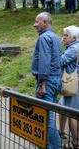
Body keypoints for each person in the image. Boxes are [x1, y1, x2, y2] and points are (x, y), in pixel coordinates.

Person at [31, 12, 62, 149]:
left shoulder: (44, 38)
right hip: (56, 80)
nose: (35, 24)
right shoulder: (55, 37)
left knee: (46, 117)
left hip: (46, 81)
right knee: (49, 115)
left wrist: (42, 83)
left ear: (45, 22)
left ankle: (53, 146)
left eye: (37, 22)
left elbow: (44, 61)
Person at [58, 25, 79, 148]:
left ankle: (76, 142)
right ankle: (62, 132)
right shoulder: (74, 47)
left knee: (72, 113)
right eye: (63, 35)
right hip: (74, 82)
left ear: (74, 37)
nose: (63, 37)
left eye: (66, 35)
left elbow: (60, 62)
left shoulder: (73, 49)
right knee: (62, 106)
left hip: (72, 83)